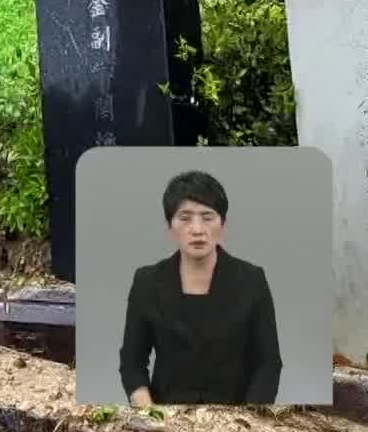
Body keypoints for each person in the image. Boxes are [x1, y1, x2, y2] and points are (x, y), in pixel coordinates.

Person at [118, 170, 282, 405]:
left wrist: (249, 421)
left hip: (235, 418)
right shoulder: (147, 281)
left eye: (207, 217)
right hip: (167, 415)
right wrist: (151, 415)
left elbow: (268, 363)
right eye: (185, 218)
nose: (197, 229)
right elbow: (132, 363)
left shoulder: (251, 280)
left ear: (222, 224)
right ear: (170, 225)